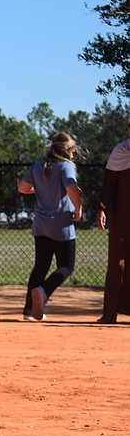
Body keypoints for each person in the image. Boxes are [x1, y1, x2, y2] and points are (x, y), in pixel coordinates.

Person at [18, 132, 83, 322]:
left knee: (40, 266)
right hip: (61, 224)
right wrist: (78, 208)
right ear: (67, 150)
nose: (73, 154)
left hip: (41, 224)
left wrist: (39, 188)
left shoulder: (37, 166)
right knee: (66, 266)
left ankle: (29, 311)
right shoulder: (66, 166)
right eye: (73, 150)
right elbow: (71, 188)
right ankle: (43, 291)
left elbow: (22, 188)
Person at [98, 118, 130, 324]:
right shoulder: (120, 150)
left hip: (121, 213)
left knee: (117, 261)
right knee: (117, 262)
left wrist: (102, 209)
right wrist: (102, 209)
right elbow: (109, 184)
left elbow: (109, 184)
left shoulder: (121, 150)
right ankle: (110, 312)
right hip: (122, 214)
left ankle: (110, 313)